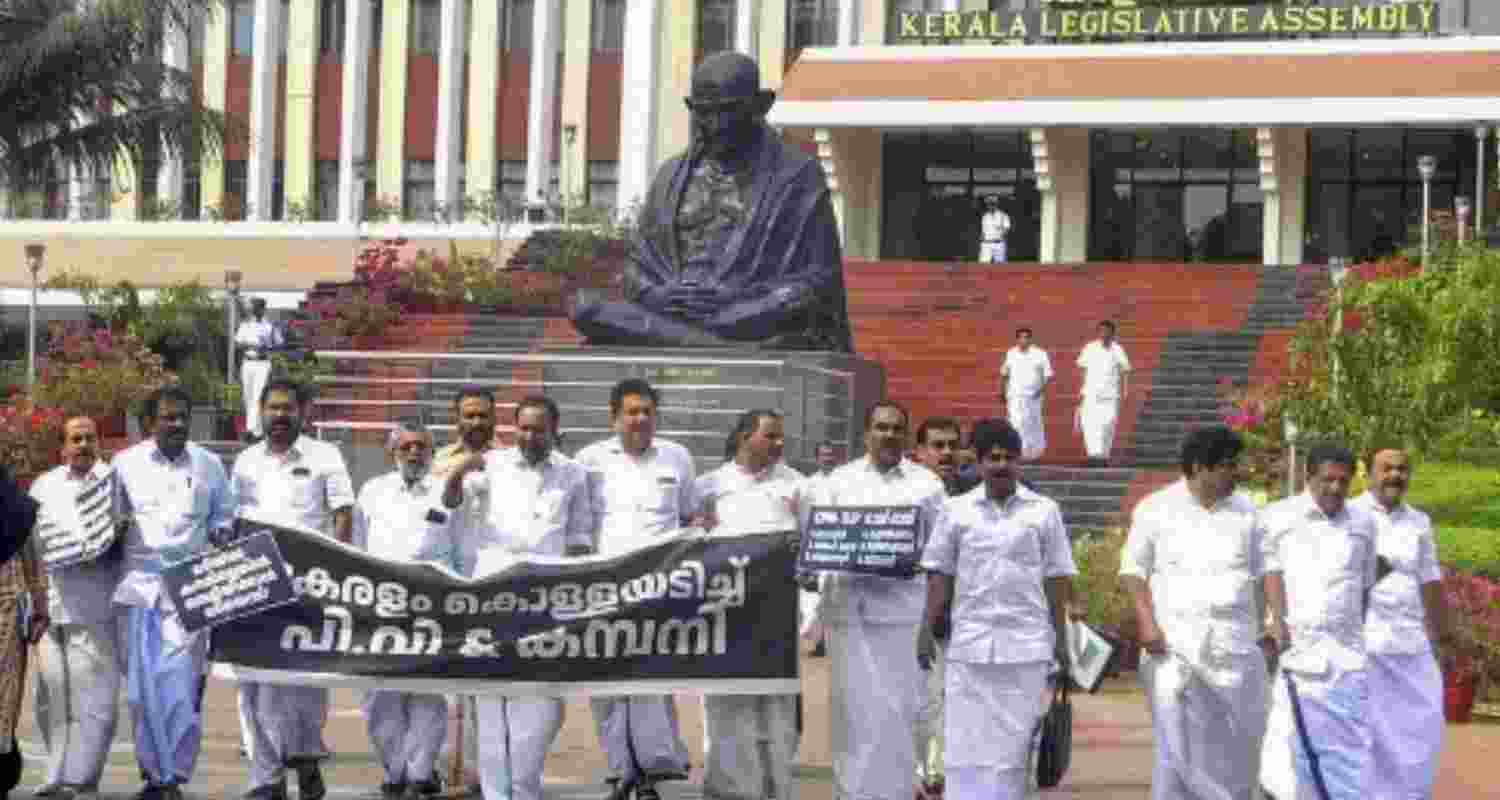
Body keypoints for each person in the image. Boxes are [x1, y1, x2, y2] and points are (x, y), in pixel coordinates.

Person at [569, 51, 853, 351]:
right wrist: (659, 296)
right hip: (671, 313)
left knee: (776, 317)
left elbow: (821, 280)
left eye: (728, 111)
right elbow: (635, 271)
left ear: (760, 106)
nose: (715, 125)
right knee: (586, 307)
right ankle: (712, 344)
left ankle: (693, 339)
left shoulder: (796, 176)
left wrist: (741, 304)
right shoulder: (669, 177)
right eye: (704, 112)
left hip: (747, 316)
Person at [443, 396, 593, 800]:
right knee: (491, 705)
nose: (530, 436)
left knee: (542, 707)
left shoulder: (574, 474)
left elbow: (579, 541)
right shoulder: (492, 465)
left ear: (554, 430)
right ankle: (496, 794)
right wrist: (459, 471)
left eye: (538, 429)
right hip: (492, 597)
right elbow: (450, 503)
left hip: (546, 601)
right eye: (523, 428)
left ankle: (524, 789)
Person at [918, 418, 1074, 800]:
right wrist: (926, 627)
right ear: (979, 462)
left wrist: (1061, 637)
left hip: (1026, 646)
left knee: (1015, 748)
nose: (1001, 465)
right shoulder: (956, 511)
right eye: (993, 458)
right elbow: (940, 573)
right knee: (965, 746)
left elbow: (1057, 577)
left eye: (1009, 458)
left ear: (1020, 462)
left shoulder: (1044, 511)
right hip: (969, 645)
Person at [1119, 426, 1268, 800]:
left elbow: (1268, 574)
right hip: (1173, 650)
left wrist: (1271, 627)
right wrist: (1147, 623)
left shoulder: (1248, 512)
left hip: (1235, 652)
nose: (1237, 473)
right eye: (1228, 466)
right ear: (1200, 467)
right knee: (1176, 751)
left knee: (1238, 752)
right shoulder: (1156, 509)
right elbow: (1133, 572)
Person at [807, 401, 945, 800]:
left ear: (906, 435)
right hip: (848, 616)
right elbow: (821, 542)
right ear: (866, 433)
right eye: (881, 427)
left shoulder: (927, 486)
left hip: (903, 617)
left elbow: (940, 556)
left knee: (899, 715)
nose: (889, 435)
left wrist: (928, 620)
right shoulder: (838, 482)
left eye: (897, 428)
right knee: (852, 716)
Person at [231, 380, 354, 800]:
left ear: (303, 412)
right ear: (261, 412)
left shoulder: (326, 456)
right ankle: (266, 777)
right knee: (255, 683)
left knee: (304, 684)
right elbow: (234, 522)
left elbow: (342, 515)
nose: (280, 415)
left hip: (310, 588)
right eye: (272, 408)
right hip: (256, 586)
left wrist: (335, 573)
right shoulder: (245, 461)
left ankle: (305, 759)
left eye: (288, 408)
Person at [112, 386, 236, 800]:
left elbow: (224, 515)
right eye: (168, 417)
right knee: (139, 692)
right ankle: (153, 776)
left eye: (183, 416)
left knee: (181, 687)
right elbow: (109, 523)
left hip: (191, 587)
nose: (178, 424)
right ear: (150, 423)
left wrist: (221, 532)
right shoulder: (124, 465)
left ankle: (175, 776)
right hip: (139, 588)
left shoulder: (209, 465)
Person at [575, 379, 695, 800]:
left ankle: (652, 771)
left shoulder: (677, 457)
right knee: (607, 686)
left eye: (647, 411)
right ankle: (619, 769)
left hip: (660, 588)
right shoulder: (589, 460)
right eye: (631, 411)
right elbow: (582, 524)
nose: (640, 418)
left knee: (651, 681)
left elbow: (687, 520)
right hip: (605, 587)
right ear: (614, 417)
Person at [693, 410, 805, 800]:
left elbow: (811, 545)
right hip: (725, 616)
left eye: (780, 437)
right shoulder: (709, 485)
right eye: (771, 436)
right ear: (744, 437)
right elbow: (691, 545)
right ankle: (725, 789)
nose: (779, 444)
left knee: (776, 709)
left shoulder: (797, 486)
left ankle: (776, 788)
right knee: (725, 706)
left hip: (777, 616)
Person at [1258, 444, 1381, 800]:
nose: (1336, 488)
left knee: (1350, 754)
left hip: (1347, 656)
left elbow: (1366, 586)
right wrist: (1274, 622)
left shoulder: (1364, 523)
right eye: (1328, 480)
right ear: (1308, 476)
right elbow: (1268, 572)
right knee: (1285, 754)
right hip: (1296, 653)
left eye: (1344, 481)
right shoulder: (1278, 517)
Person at [354, 424, 459, 800]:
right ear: (392, 452)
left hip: (433, 609)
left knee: (428, 696)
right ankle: (395, 772)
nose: (414, 452)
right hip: (382, 610)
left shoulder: (447, 493)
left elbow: (460, 553)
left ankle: (418, 775)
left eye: (422, 447)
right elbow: (358, 549)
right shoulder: (372, 492)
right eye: (406, 446)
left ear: (432, 452)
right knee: (380, 699)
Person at [31, 417, 122, 800]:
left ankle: (83, 779)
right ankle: (55, 777)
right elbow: (32, 544)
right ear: (63, 447)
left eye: (90, 438)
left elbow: (124, 536)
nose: (84, 444)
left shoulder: (113, 482)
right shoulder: (45, 485)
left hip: (95, 605)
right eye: (76, 439)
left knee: (95, 701)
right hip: (52, 608)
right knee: (50, 698)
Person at [1351, 447, 1446, 800]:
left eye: (1402, 469)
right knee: (1369, 735)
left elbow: (1430, 577)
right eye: (1387, 468)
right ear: (1369, 473)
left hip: (1410, 642)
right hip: (1366, 645)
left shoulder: (1419, 521)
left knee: (1421, 726)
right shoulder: (1350, 515)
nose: (1395, 475)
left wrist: (1443, 634)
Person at [431, 386, 498, 797]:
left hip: (496, 585)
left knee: (489, 688)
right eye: (468, 416)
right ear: (456, 418)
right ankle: (449, 772)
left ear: (495, 418)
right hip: (450, 584)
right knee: (448, 688)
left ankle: (484, 773)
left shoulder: (508, 461)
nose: (476, 423)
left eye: (483, 416)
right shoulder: (438, 461)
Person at [910, 416, 971, 798]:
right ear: (919, 452)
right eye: (937, 445)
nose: (946, 453)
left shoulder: (974, 494)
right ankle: (924, 771)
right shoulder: (909, 495)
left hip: (966, 610)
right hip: (915, 608)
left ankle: (942, 771)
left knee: (958, 698)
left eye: (952, 445)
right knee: (923, 697)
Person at [0, 462, 43, 800]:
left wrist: (40, 607)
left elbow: (33, 558)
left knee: (4, 694)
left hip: (6, 612)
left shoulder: (15, 507)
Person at [800, 441, 842, 658]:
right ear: (817, 458)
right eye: (823, 455)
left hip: (840, 543)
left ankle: (829, 640)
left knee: (835, 592)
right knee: (816, 594)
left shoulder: (845, 481)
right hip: (817, 542)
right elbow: (806, 519)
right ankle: (820, 639)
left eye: (830, 455)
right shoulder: (809, 484)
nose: (827, 458)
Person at [1075, 320, 1131, 466]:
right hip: (1091, 394)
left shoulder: (1118, 349)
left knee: (1108, 424)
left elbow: (1125, 370)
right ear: (1098, 332)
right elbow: (1082, 368)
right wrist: (1082, 388)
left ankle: (1104, 456)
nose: (1104, 334)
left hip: (1111, 395)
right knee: (1090, 424)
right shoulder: (1089, 348)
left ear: (1113, 333)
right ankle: (1093, 456)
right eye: (1101, 331)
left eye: (1107, 331)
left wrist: (1125, 389)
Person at [234, 297, 283, 443]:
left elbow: (279, 344)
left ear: (262, 309)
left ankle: (252, 431)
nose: (254, 310)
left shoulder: (270, 326)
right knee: (248, 397)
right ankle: (257, 431)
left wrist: (266, 348)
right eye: (253, 307)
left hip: (262, 363)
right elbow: (237, 344)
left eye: (257, 307)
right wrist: (251, 346)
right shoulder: (246, 325)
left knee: (258, 396)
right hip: (248, 362)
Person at [1001, 327, 1053, 462]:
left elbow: (1047, 376)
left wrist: (1040, 390)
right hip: (1015, 396)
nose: (1023, 340)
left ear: (1030, 339)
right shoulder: (1011, 353)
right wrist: (1002, 391)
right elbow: (1005, 374)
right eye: (1021, 337)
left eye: (1026, 337)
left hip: (1033, 396)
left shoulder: (1040, 354)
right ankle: (1020, 453)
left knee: (1033, 424)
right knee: (1017, 423)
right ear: (1017, 339)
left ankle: (1034, 454)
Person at [977, 195, 1012, 264]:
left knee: (1000, 265)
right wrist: (982, 239)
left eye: (993, 204)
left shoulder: (1003, 215)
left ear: (996, 205)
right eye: (989, 204)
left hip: (998, 243)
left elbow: (1007, 228)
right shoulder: (985, 216)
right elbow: (983, 230)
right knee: (983, 264)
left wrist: (1000, 236)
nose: (991, 206)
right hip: (986, 243)